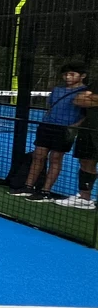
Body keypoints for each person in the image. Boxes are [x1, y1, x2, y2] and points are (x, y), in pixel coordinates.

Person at [12, 65, 87, 201]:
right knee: (38, 156)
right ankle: (28, 187)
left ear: (82, 76)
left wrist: (73, 127)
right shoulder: (57, 90)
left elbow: (85, 115)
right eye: (65, 74)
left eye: (72, 74)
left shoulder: (85, 93)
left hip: (64, 129)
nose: (68, 77)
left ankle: (45, 191)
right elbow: (51, 107)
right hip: (47, 126)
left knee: (55, 159)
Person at [60, 66, 98, 210]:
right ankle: (84, 198)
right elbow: (78, 100)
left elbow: (86, 98)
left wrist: (91, 97)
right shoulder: (96, 82)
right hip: (89, 128)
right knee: (86, 161)